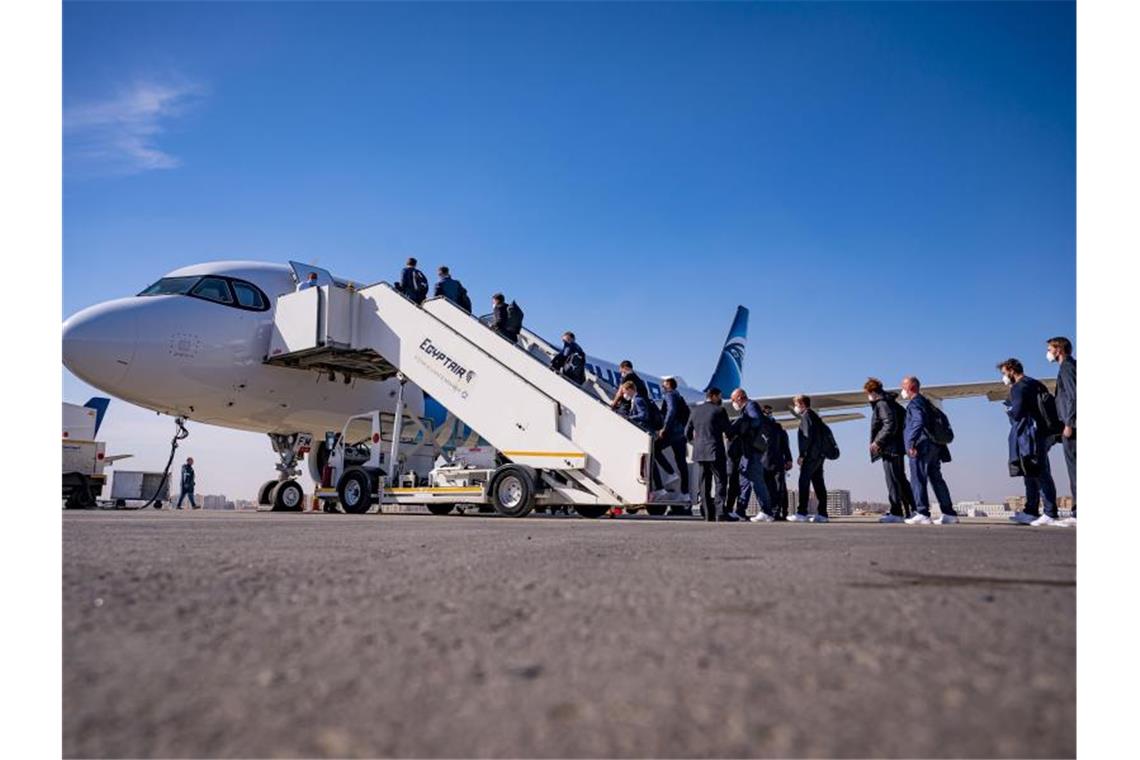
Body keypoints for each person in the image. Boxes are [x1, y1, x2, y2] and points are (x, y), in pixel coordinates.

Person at [999, 359, 1063, 526]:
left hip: (1030, 436)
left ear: (1012, 370)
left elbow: (1017, 412)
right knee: (1031, 473)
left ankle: (1049, 512)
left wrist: (1008, 408)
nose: (1004, 377)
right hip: (1041, 433)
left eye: (1004, 373)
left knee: (1039, 473)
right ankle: (1031, 510)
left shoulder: (1018, 387)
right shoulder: (1035, 383)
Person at [901, 376, 959, 525]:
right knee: (936, 479)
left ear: (911, 388)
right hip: (934, 446)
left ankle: (922, 513)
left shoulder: (915, 404)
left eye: (903, 387)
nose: (902, 390)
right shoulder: (926, 402)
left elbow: (918, 421)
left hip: (921, 445)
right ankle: (949, 513)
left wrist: (911, 442)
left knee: (918, 479)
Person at [865, 378, 915, 523]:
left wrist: (877, 441)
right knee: (900, 478)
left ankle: (896, 512)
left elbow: (889, 424)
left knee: (893, 480)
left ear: (873, 392)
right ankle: (913, 509)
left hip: (890, 448)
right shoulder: (892, 403)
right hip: (897, 447)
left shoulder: (882, 404)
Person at [685, 387, 731, 522]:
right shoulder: (720, 410)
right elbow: (728, 430)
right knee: (720, 481)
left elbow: (687, 433)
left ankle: (707, 514)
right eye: (720, 396)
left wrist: (696, 443)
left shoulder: (695, 411)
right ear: (715, 396)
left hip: (699, 452)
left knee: (704, 483)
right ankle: (720, 512)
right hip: (715, 451)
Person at [729, 389, 773, 522]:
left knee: (756, 480)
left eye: (733, 400)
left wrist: (741, 424)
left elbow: (756, 421)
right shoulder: (746, 409)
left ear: (740, 398)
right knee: (744, 481)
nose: (732, 403)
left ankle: (767, 511)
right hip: (747, 451)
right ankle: (741, 511)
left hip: (753, 450)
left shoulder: (751, 406)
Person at [1048, 337, 1076, 526]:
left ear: (1059, 349)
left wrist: (1069, 423)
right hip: (1072, 424)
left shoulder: (1067, 367)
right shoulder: (1069, 366)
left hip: (1073, 427)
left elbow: (1075, 395)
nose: (1048, 352)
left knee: (1075, 469)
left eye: (1050, 348)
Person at [618, 380, 664, 492]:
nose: (624, 395)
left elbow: (644, 415)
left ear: (630, 390)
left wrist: (629, 418)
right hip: (647, 432)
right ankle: (658, 488)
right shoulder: (636, 400)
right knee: (650, 461)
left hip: (646, 432)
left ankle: (659, 487)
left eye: (625, 392)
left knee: (650, 462)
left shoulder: (638, 400)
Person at [792, 395, 830, 523]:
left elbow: (807, 438)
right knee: (819, 484)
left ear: (802, 404)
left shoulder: (806, 416)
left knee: (804, 482)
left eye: (796, 405)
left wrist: (802, 455)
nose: (795, 408)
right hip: (819, 455)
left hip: (811, 456)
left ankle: (802, 512)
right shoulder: (815, 416)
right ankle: (823, 513)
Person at [659, 377, 691, 514]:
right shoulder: (679, 396)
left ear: (669, 386)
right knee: (681, 463)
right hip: (680, 434)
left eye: (664, 384)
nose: (662, 386)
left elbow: (671, 411)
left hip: (672, 432)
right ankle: (685, 492)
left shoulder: (670, 395)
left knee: (655, 449)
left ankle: (670, 473)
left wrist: (665, 427)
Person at [758, 405, 792, 521]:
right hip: (763, 462)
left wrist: (788, 459)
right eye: (766, 412)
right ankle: (770, 510)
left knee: (780, 488)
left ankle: (781, 511)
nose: (768, 414)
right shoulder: (758, 426)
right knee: (767, 489)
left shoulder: (778, 427)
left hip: (777, 462)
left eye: (770, 412)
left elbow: (785, 445)